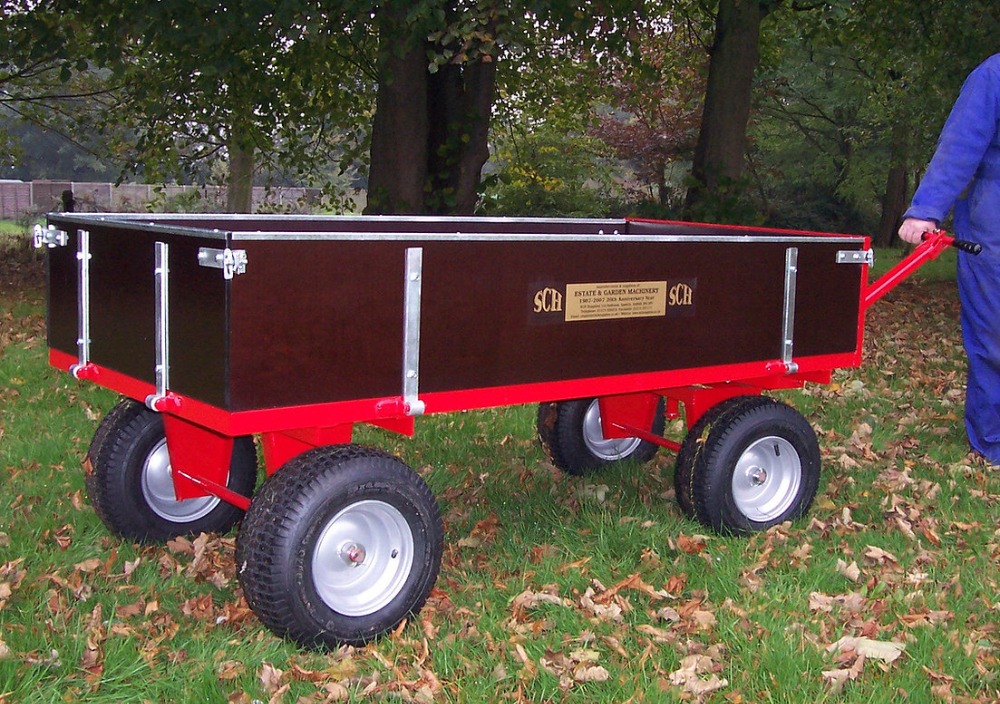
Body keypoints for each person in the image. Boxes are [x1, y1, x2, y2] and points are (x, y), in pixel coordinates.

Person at [898, 53, 1000, 469]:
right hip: (993, 222)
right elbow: (961, 144)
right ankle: (993, 440)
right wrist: (926, 209)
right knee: (993, 333)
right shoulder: (993, 75)